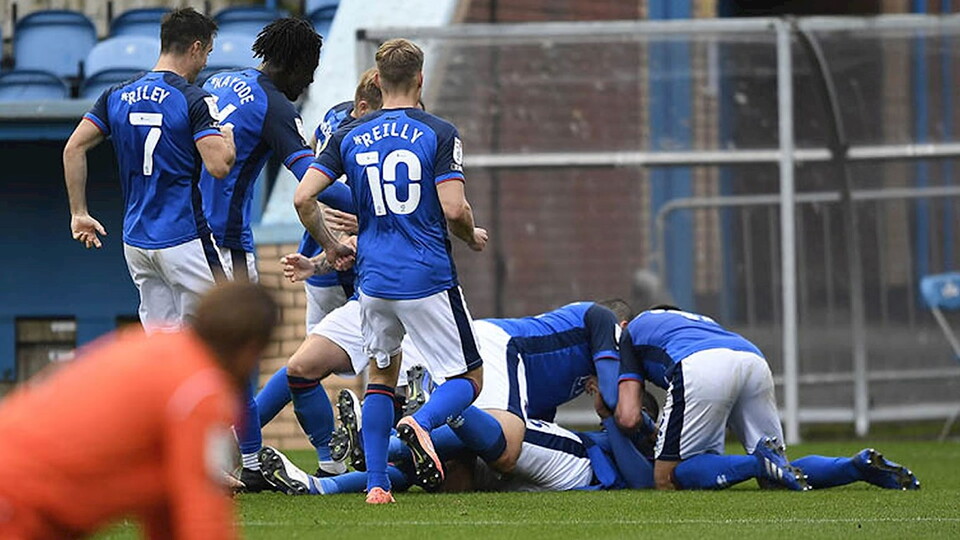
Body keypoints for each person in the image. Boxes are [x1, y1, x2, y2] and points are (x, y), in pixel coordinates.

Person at [294, 38, 487, 503]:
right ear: (420, 79)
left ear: (378, 81)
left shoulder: (349, 133)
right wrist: (470, 235)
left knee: (381, 375)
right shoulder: (439, 131)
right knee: (469, 379)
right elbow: (454, 208)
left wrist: (331, 245)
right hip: (426, 276)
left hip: (373, 281)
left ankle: (377, 484)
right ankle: (420, 422)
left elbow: (303, 197)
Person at [196, 16, 352, 492]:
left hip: (180, 233)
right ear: (296, 64)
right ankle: (247, 461)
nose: (308, 83)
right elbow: (312, 182)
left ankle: (191, 455)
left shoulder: (218, 80)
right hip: (222, 237)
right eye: (309, 72)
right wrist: (374, 202)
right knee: (239, 348)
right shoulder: (274, 105)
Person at [0, 282, 278, 539]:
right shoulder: (200, 388)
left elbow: (166, 508)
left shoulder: (155, 347)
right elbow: (205, 515)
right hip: (18, 501)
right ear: (251, 348)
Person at [63, 7, 236, 333]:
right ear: (196, 47)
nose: (205, 63)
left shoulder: (115, 94)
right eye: (207, 53)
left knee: (162, 343)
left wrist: (79, 213)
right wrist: (228, 141)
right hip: (184, 237)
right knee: (224, 328)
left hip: (137, 242)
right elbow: (219, 167)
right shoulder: (194, 99)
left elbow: (73, 148)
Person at [615, 305, 810, 490]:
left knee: (666, 477)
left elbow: (629, 417)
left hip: (701, 364)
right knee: (778, 475)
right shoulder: (699, 321)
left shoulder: (630, 332)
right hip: (752, 357)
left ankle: (759, 463)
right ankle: (828, 468)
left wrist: (610, 410)